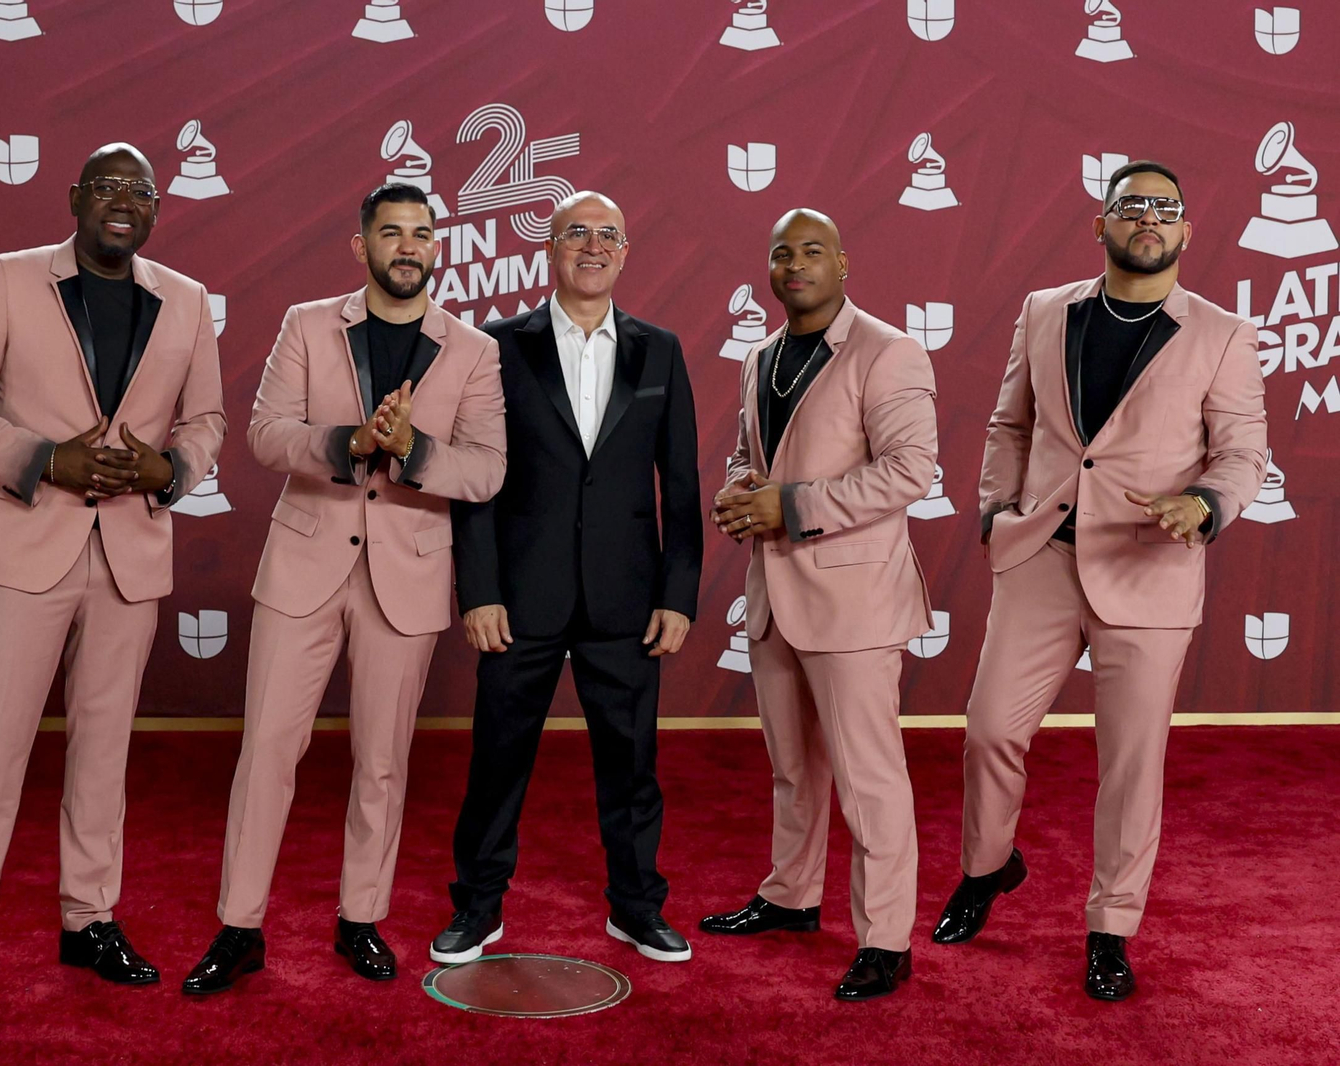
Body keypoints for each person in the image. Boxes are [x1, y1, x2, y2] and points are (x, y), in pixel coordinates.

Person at [932, 161, 1267, 1001]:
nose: (1147, 219)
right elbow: (1010, 422)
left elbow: (1242, 453)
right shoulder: (1047, 311)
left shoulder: (1223, 333)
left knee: (1129, 763)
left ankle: (1110, 927)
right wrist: (994, 512)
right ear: (1101, 224)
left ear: (1187, 232)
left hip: (1148, 564)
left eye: (1165, 209)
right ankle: (987, 868)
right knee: (988, 730)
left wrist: (1203, 503)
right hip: (1042, 554)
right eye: (1130, 206)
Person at [0, 143, 226, 1013]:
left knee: (104, 750)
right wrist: (46, 458)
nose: (123, 202)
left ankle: (89, 919)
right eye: (107, 187)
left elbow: (205, 418)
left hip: (130, 557)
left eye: (140, 190)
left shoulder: (188, 300)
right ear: (75, 198)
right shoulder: (9, 279)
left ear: (157, 206)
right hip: (25, 552)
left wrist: (171, 470)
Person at [181, 183, 506, 992]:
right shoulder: (305, 323)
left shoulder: (473, 349)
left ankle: (361, 919)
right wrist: (351, 441)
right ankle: (240, 926)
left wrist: (413, 450)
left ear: (438, 249)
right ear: (359, 246)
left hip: (410, 576)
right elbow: (264, 433)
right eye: (391, 233)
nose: (407, 246)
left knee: (383, 762)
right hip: (304, 568)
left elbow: (489, 469)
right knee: (266, 753)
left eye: (422, 234)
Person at [430, 192, 703, 966]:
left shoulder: (661, 350)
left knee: (632, 765)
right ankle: (478, 910)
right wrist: (478, 589)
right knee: (497, 763)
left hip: (627, 598)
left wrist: (677, 594)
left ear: (626, 251)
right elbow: (475, 479)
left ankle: (637, 908)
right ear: (550, 248)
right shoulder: (496, 347)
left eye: (607, 235)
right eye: (575, 233)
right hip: (519, 597)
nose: (592, 246)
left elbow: (678, 485)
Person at [704, 209, 937, 1001]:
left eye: (811, 251)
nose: (795, 264)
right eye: (781, 253)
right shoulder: (761, 356)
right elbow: (750, 453)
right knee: (792, 768)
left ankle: (887, 939)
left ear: (843, 263)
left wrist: (790, 505)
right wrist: (740, 489)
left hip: (855, 599)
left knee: (869, 778)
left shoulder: (889, 350)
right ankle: (790, 897)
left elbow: (910, 471)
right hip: (775, 593)